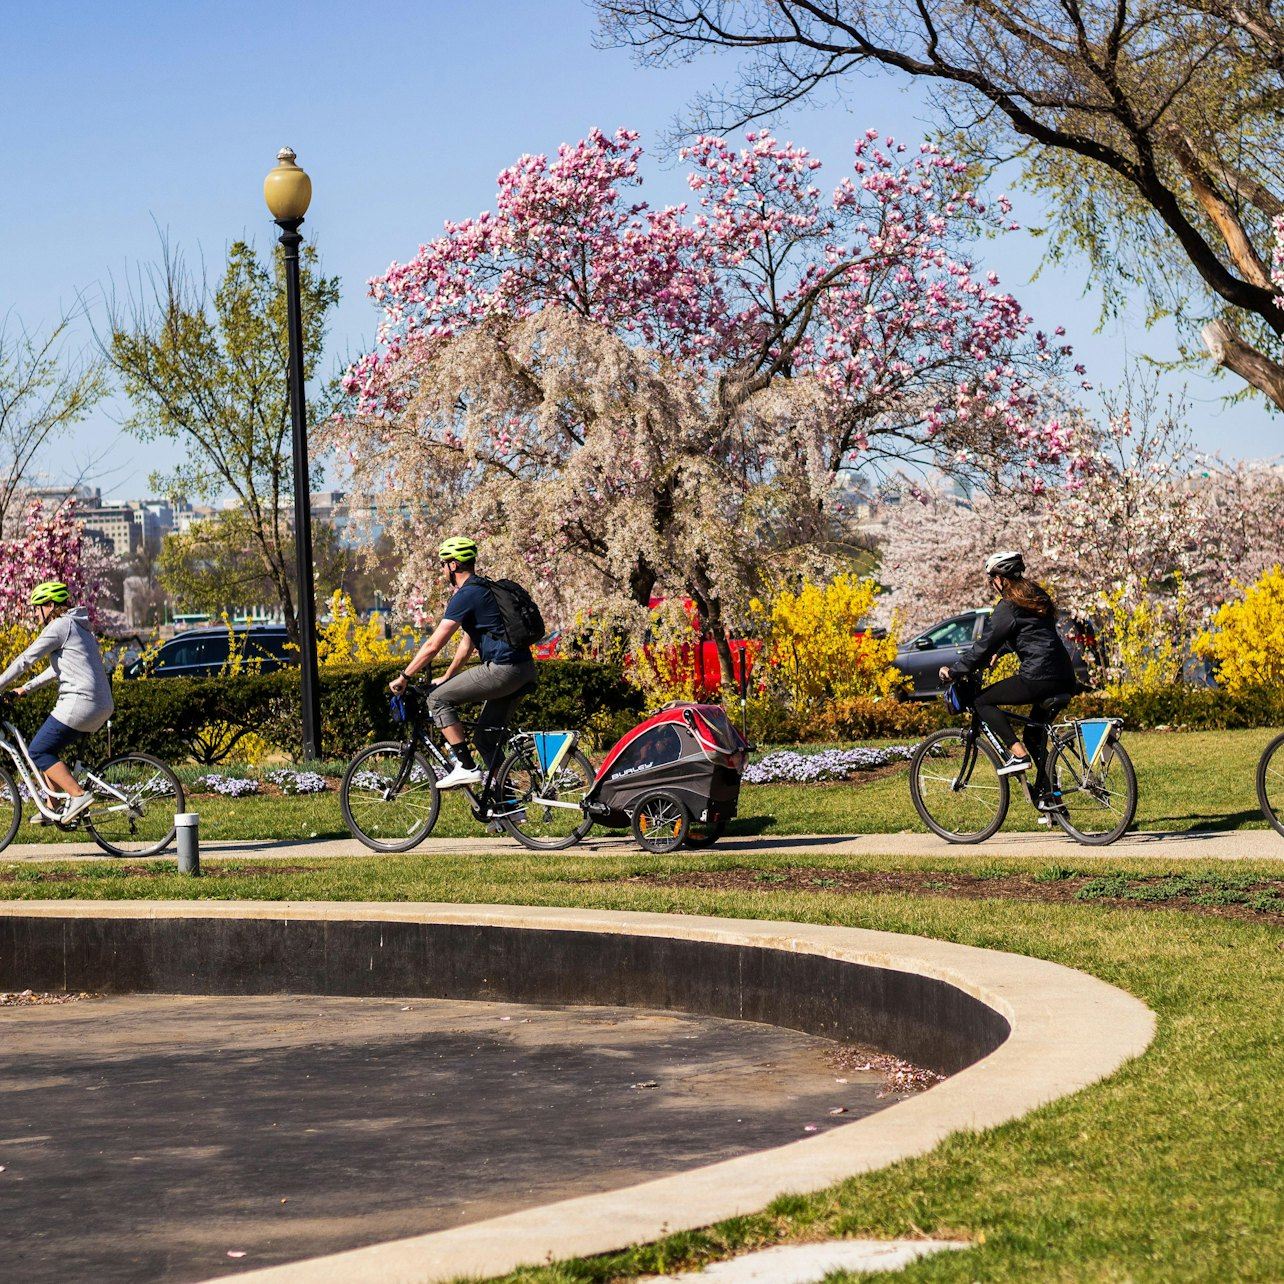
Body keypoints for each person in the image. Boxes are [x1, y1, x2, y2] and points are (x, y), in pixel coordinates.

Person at [389, 538, 538, 789]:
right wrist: (448, 675)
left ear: (454, 565)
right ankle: (507, 807)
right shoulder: (484, 590)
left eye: (444, 564)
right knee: (486, 739)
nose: (442, 569)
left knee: (437, 699)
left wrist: (404, 676)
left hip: (503, 669)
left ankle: (466, 766)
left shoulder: (466, 594)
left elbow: (433, 645)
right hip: (523, 668)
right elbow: (467, 644)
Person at [941, 551, 1078, 796]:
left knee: (982, 701)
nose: (991, 584)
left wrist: (955, 671)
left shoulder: (1008, 606)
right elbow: (1031, 634)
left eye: (991, 578)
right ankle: (1051, 798)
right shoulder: (1035, 596)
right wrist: (1001, 651)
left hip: (1039, 676)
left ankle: (1017, 753)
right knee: (1035, 736)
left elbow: (985, 644)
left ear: (1001, 578)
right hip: (1064, 676)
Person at [0, 581, 114, 823]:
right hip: (100, 703)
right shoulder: (79, 627)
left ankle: (77, 795)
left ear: (50, 605)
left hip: (81, 702)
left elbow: (24, 660)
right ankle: (52, 808)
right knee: (47, 748)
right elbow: (57, 670)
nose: (35, 613)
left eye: (37, 607)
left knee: (38, 750)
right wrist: (25, 689)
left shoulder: (60, 626)